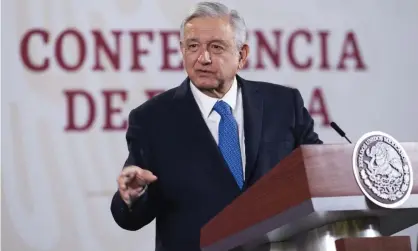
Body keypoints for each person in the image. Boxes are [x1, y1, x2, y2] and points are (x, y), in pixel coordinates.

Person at [110, 2, 322, 251]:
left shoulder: (284, 105)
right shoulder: (152, 119)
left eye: (216, 47)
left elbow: (319, 172)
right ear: (181, 51)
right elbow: (130, 215)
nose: (203, 58)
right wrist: (132, 197)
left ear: (242, 55)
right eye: (192, 47)